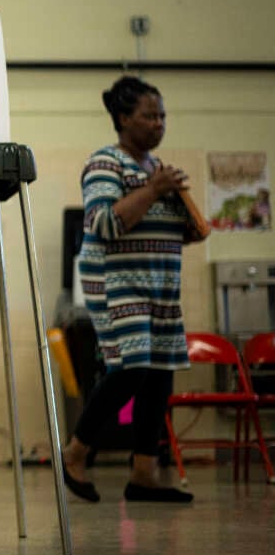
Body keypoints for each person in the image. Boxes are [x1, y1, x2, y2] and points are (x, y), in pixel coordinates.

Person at [61, 75, 207, 504]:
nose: (159, 124)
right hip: (116, 280)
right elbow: (104, 224)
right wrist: (155, 189)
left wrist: (188, 220)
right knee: (131, 367)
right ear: (123, 118)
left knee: (159, 374)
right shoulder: (105, 164)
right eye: (149, 115)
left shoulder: (154, 170)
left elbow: (167, 230)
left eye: (162, 115)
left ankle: (143, 474)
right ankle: (75, 452)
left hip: (160, 280)